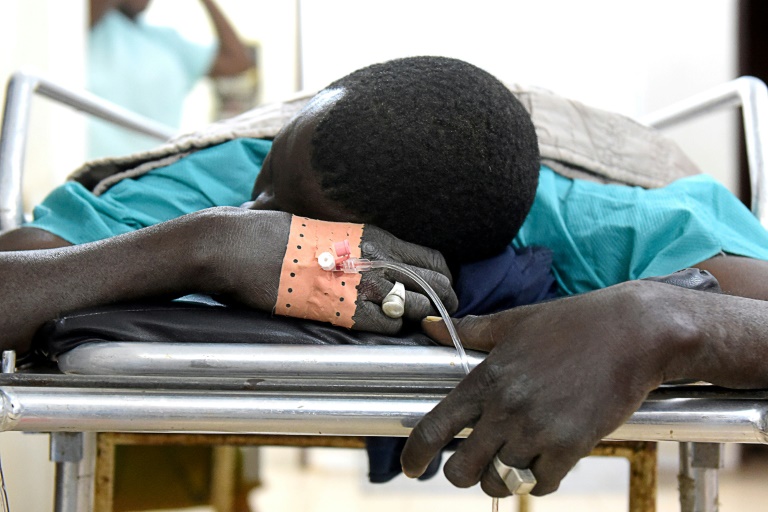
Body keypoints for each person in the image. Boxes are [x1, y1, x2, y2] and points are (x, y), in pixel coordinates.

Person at [3, 56, 768, 496]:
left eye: (280, 210)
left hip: (574, 155)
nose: (253, 207)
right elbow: (23, 275)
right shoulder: (223, 179)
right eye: (257, 200)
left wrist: (660, 320)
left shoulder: (614, 228)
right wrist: (203, 245)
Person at [87, 0, 254, 159]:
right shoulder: (86, 26)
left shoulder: (167, 41)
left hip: (151, 173)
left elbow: (236, 61)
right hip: (90, 173)